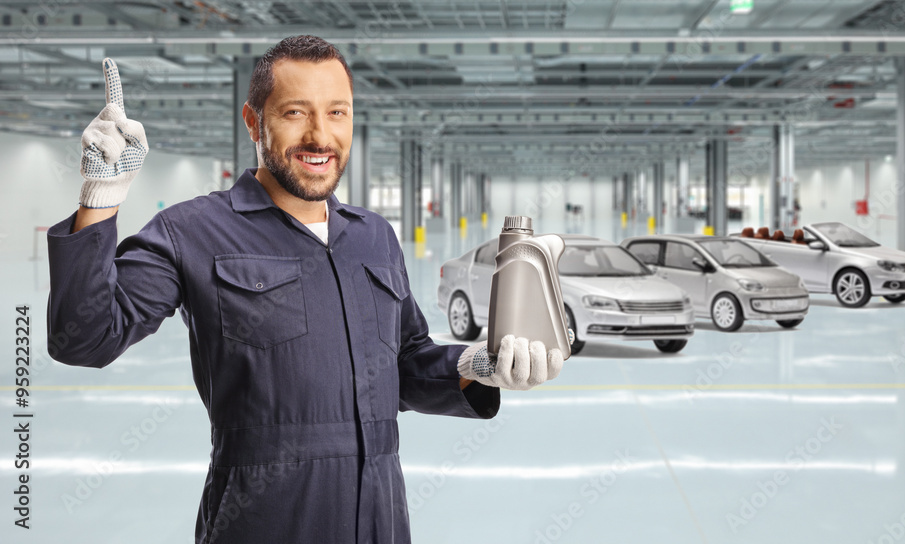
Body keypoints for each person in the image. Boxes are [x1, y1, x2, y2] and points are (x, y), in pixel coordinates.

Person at [47, 35, 563, 544]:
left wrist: (479, 365)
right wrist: (102, 196)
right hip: (263, 523)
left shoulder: (373, 237)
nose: (321, 135)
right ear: (254, 121)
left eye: (337, 112)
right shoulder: (194, 231)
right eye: (296, 112)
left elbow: (405, 365)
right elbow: (84, 339)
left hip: (381, 520)